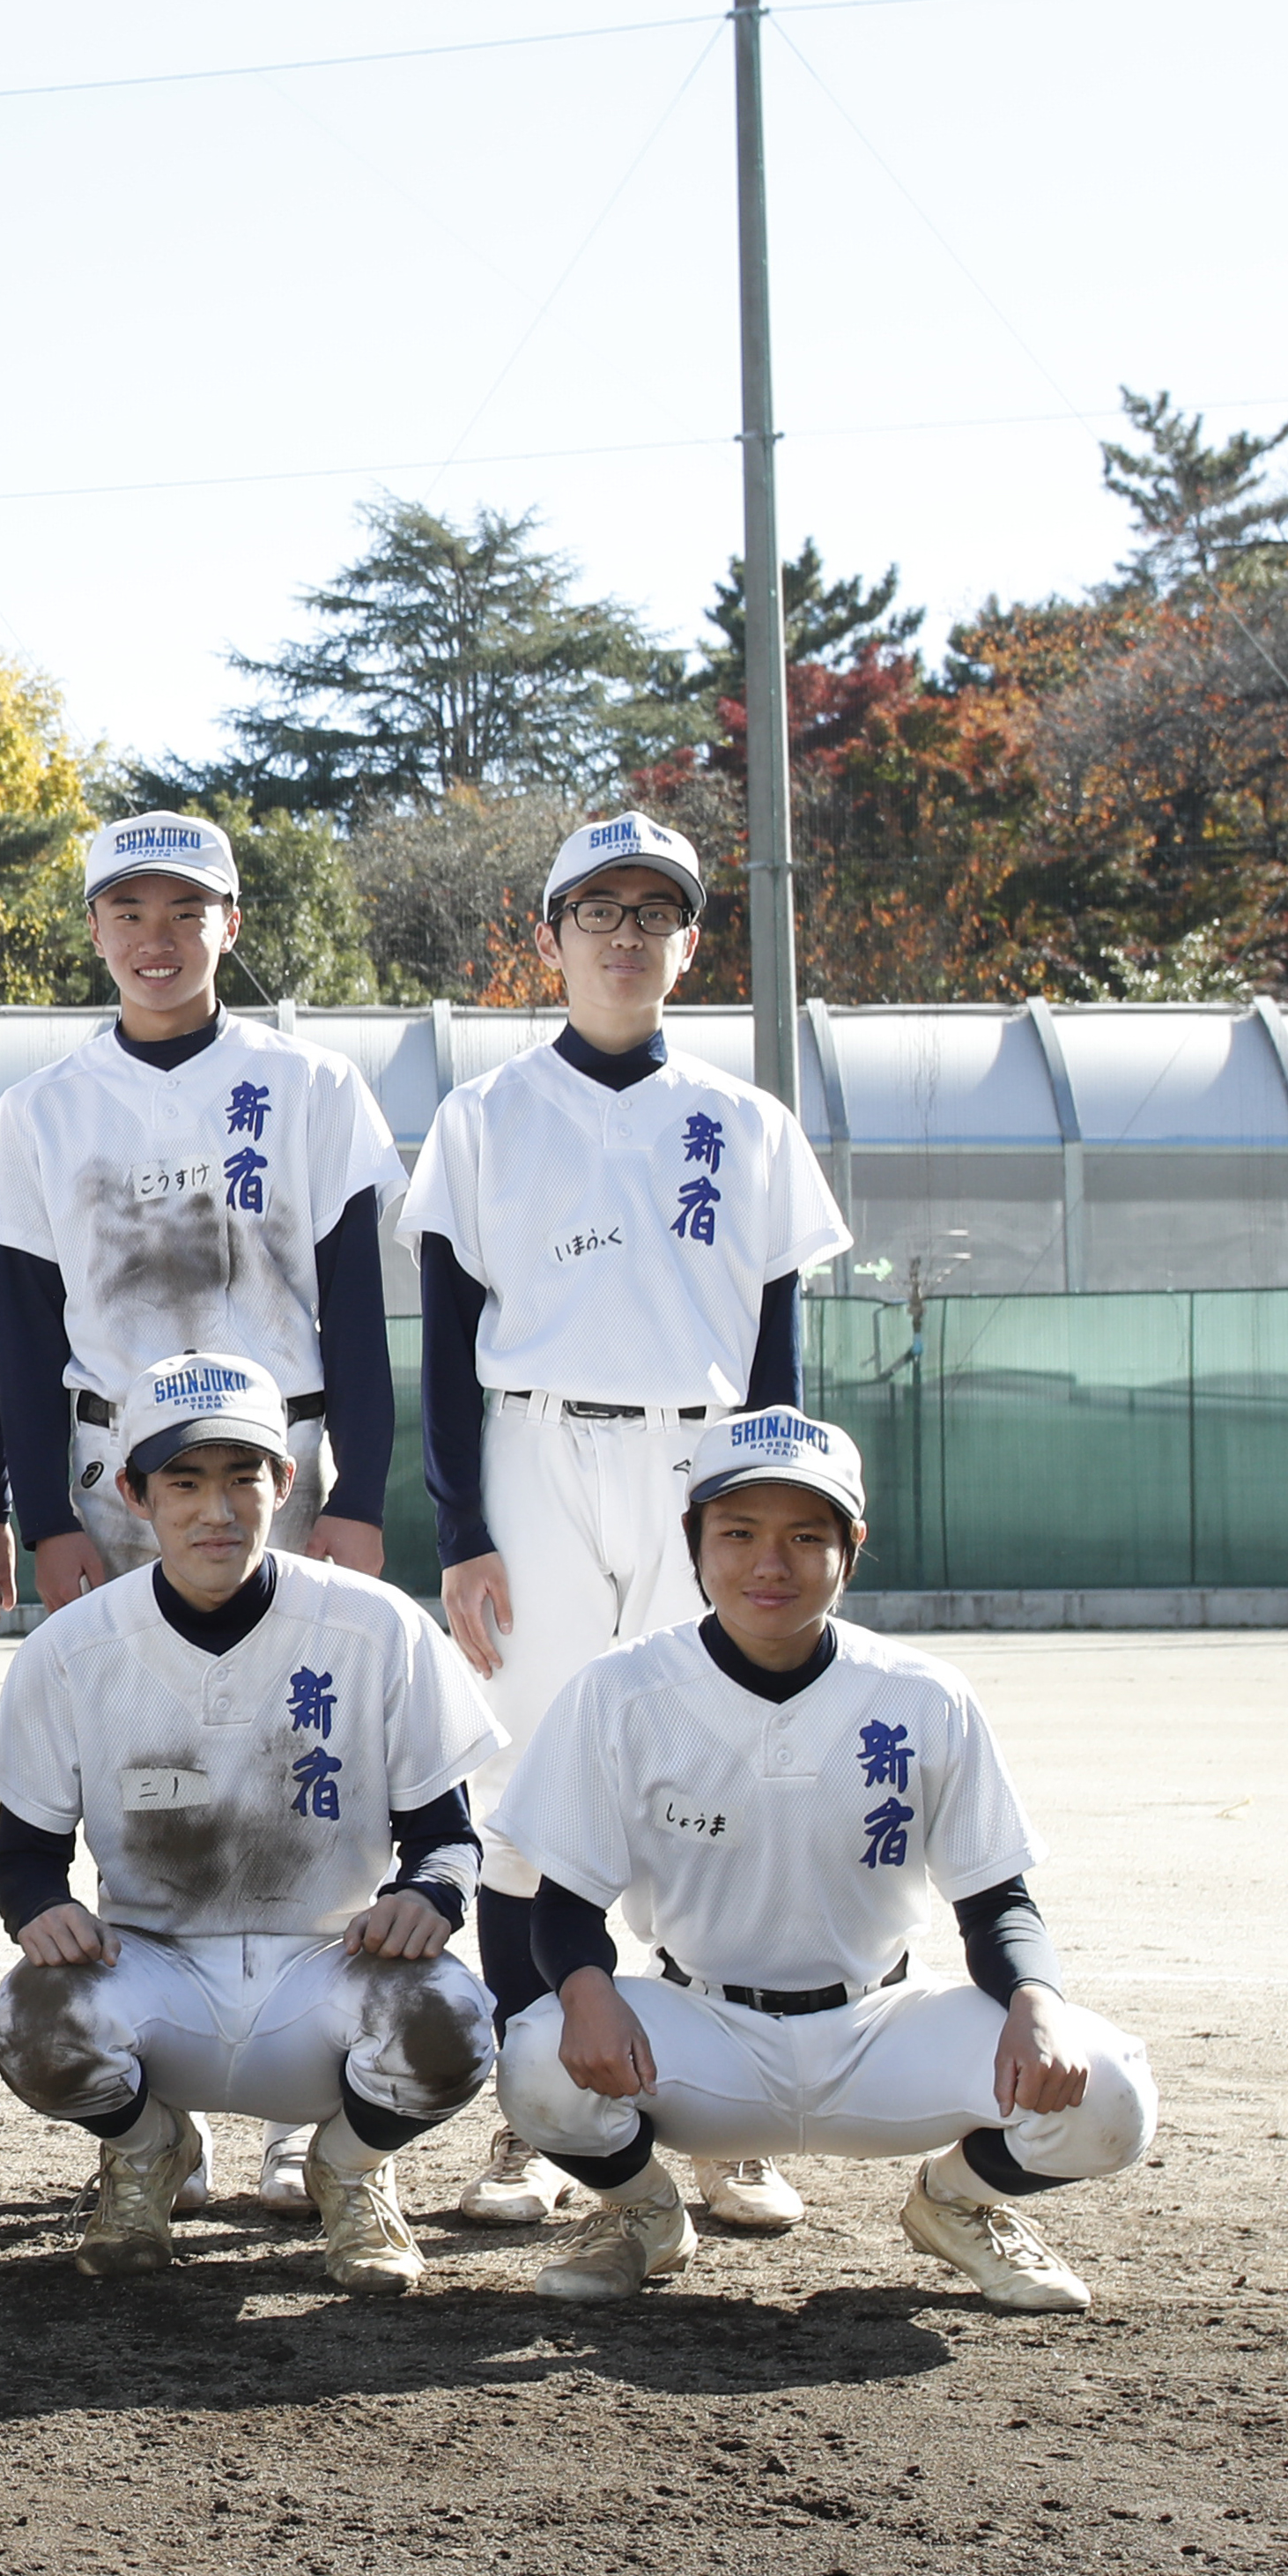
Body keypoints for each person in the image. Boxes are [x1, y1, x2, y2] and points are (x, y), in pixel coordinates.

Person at [400, 813, 850, 2233]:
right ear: (547, 938)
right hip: (536, 1450)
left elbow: (778, 1357)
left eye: (654, 911)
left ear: (690, 941)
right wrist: (461, 1529)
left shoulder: (751, 1122)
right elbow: (449, 1341)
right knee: (534, 1783)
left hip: (706, 1470)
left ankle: (725, 2121)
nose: (623, 933)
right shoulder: (484, 1116)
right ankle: (544, 2112)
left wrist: (773, 1519)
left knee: (712, 1777)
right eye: (594, 908)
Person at [0, 811, 406, 2215]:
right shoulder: (42, 1110)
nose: (155, 937)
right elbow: (19, 1338)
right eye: (128, 909)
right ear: (93, 929)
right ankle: (155, 2092)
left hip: (289, 1467)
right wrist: (47, 1518)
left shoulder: (313, 1083)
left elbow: (358, 1312)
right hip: (116, 1470)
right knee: (142, 1756)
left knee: (306, 1756)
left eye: (185, 908)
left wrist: (365, 1503)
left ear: (231, 921)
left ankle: (308, 2092)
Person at [492, 1408, 1156, 2312]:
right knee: (536, 2056)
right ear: (693, 1539)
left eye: (805, 1535)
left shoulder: (921, 1694)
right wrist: (584, 1989)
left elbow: (996, 1900)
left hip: (880, 2027)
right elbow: (563, 1903)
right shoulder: (621, 1690)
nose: (770, 1564)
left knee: (1107, 2089)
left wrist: (1036, 2002)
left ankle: (957, 2204)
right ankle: (639, 2211)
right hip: (701, 2031)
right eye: (738, 1533)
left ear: (851, 1544)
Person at [0, 1352, 501, 2295]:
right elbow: (21, 1856)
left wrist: (431, 1893)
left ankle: (348, 2164)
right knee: (29, 2016)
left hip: (327, 1974)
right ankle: (146, 2149)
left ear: (284, 1481)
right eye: (182, 1480)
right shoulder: (70, 1649)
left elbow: (446, 1833)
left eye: (241, 1475)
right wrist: (37, 1909)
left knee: (452, 2020)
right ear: (133, 1491)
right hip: (152, 1973)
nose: (215, 1509)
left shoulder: (375, 1627)